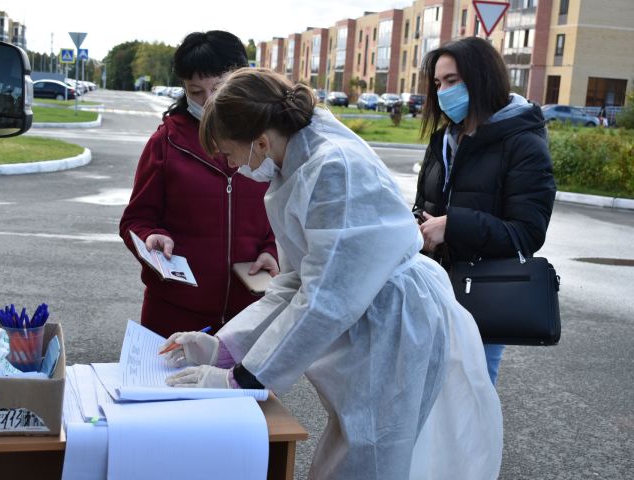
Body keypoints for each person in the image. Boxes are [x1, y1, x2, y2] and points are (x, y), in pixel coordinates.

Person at [161, 68, 503, 480]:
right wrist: (225, 348)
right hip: (371, 314)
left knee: (372, 456)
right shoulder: (296, 162)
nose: (232, 166)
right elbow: (296, 281)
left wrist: (244, 378)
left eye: (230, 155)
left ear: (261, 142)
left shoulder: (331, 168)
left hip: (393, 321)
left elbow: (325, 298)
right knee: (360, 448)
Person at [413, 37, 556, 385]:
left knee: (471, 403)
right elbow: (425, 206)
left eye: (452, 81)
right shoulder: (444, 140)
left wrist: (453, 227)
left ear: (482, 78)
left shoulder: (523, 143)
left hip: (483, 297)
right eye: (437, 83)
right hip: (433, 291)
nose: (443, 91)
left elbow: (527, 234)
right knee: (428, 406)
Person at [119, 31, 279, 337]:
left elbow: (287, 214)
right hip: (173, 314)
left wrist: (272, 250)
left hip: (249, 315)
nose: (209, 102)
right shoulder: (166, 142)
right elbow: (135, 219)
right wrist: (151, 235)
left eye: (218, 88)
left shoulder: (269, 142)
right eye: (196, 91)